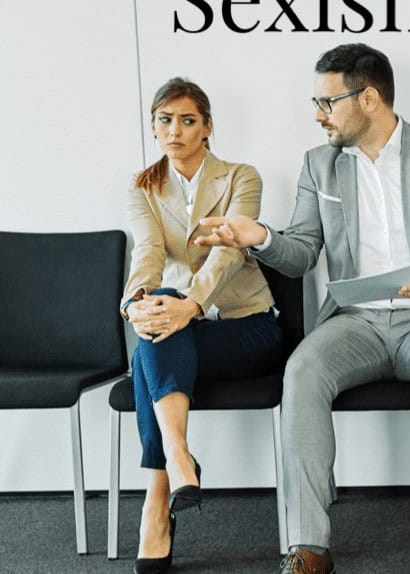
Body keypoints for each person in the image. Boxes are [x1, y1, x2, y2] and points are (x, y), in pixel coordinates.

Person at [194, 43, 410, 574]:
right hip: (355, 321)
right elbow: (303, 251)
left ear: (369, 98)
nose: (318, 114)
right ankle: (311, 541)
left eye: (327, 102)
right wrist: (259, 236)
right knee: (302, 371)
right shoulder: (318, 164)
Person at [122, 77, 284, 574]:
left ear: (207, 127)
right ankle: (177, 461)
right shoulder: (144, 186)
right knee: (154, 315)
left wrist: (190, 304)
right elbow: (148, 253)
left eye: (187, 120)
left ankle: (157, 497)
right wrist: (133, 302)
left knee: (154, 338)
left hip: (247, 327)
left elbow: (230, 250)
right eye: (165, 120)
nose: (175, 130)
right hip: (181, 331)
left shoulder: (240, 176)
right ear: (153, 126)